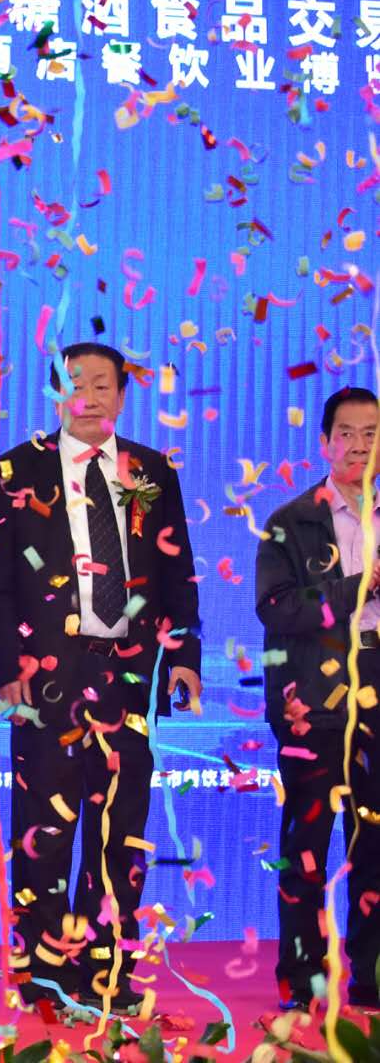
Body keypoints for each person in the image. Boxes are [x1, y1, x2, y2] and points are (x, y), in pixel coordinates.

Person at [0, 342, 202, 1013]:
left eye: (103, 384)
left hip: (127, 676)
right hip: (45, 677)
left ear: (122, 396)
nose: (89, 396)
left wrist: (184, 654)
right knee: (44, 831)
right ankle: (43, 974)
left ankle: (106, 972)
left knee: (119, 829)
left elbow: (178, 573)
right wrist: (5, 666)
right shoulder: (16, 470)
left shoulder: (152, 471)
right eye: (75, 384)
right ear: (57, 395)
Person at [255, 386, 380, 1012]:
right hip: (314, 698)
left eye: (371, 434)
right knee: (306, 848)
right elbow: (276, 607)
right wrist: (361, 586)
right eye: (346, 434)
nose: (358, 446)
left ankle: (371, 977)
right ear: (325, 442)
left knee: (375, 846)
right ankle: (301, 981)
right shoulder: (291, 521)